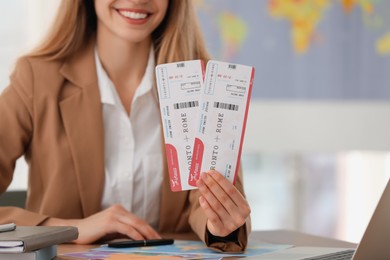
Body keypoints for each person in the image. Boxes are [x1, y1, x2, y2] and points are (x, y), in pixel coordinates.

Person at [0, 0, 251, 252]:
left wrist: (220, 225)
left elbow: (211, 204)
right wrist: (72, 228)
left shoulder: (205, 83)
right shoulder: (36, 79)